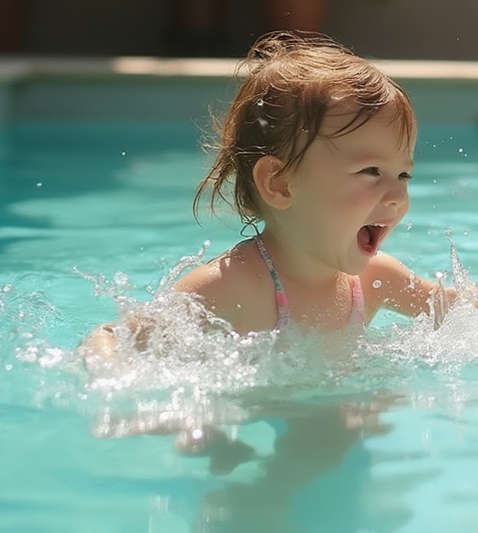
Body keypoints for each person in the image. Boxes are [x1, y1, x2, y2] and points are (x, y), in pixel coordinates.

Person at [81, 31, 447, 362]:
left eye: (403, 174)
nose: (398, 194)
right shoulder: (233, 286)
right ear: (279, 183)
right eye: (371, 172)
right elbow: (111, 339)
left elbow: (467, 314)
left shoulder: (376, 278)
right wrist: (110, 377)